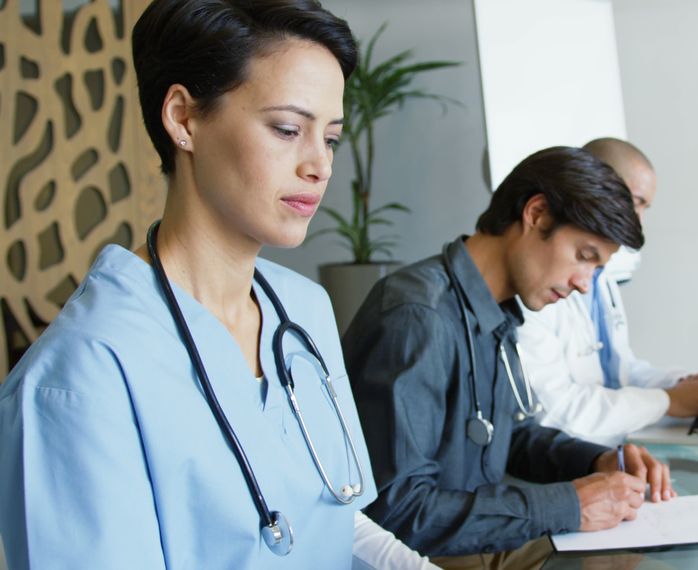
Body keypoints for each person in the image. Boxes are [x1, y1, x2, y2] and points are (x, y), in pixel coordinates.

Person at [0, 1, 433, 568]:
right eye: (286, 129)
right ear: (183, 118)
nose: (319, 166)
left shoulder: (303, 311)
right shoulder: (79, 375)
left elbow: (329, 517)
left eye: (329, 138)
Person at [342, 146, 675, 565]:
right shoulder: (418, 317)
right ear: (536, 214)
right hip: (429, 558)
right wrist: (568, 505)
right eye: (584, 256)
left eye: (596, 269)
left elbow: (509, 434)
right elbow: (399, 512)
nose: (584, 284)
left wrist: (597, 459)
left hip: (481, 542)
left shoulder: (496, 312)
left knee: (643, 551)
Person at [516, 138, 698, 447]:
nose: (638, 221)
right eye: (634, 201)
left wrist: (680, 386)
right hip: (572, 459)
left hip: (616, 445)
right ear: (594, 186)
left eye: (644, 207)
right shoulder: (535, 286)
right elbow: (556, 412)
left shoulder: (602, 274)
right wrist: (668, 401)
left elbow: (620, 370)